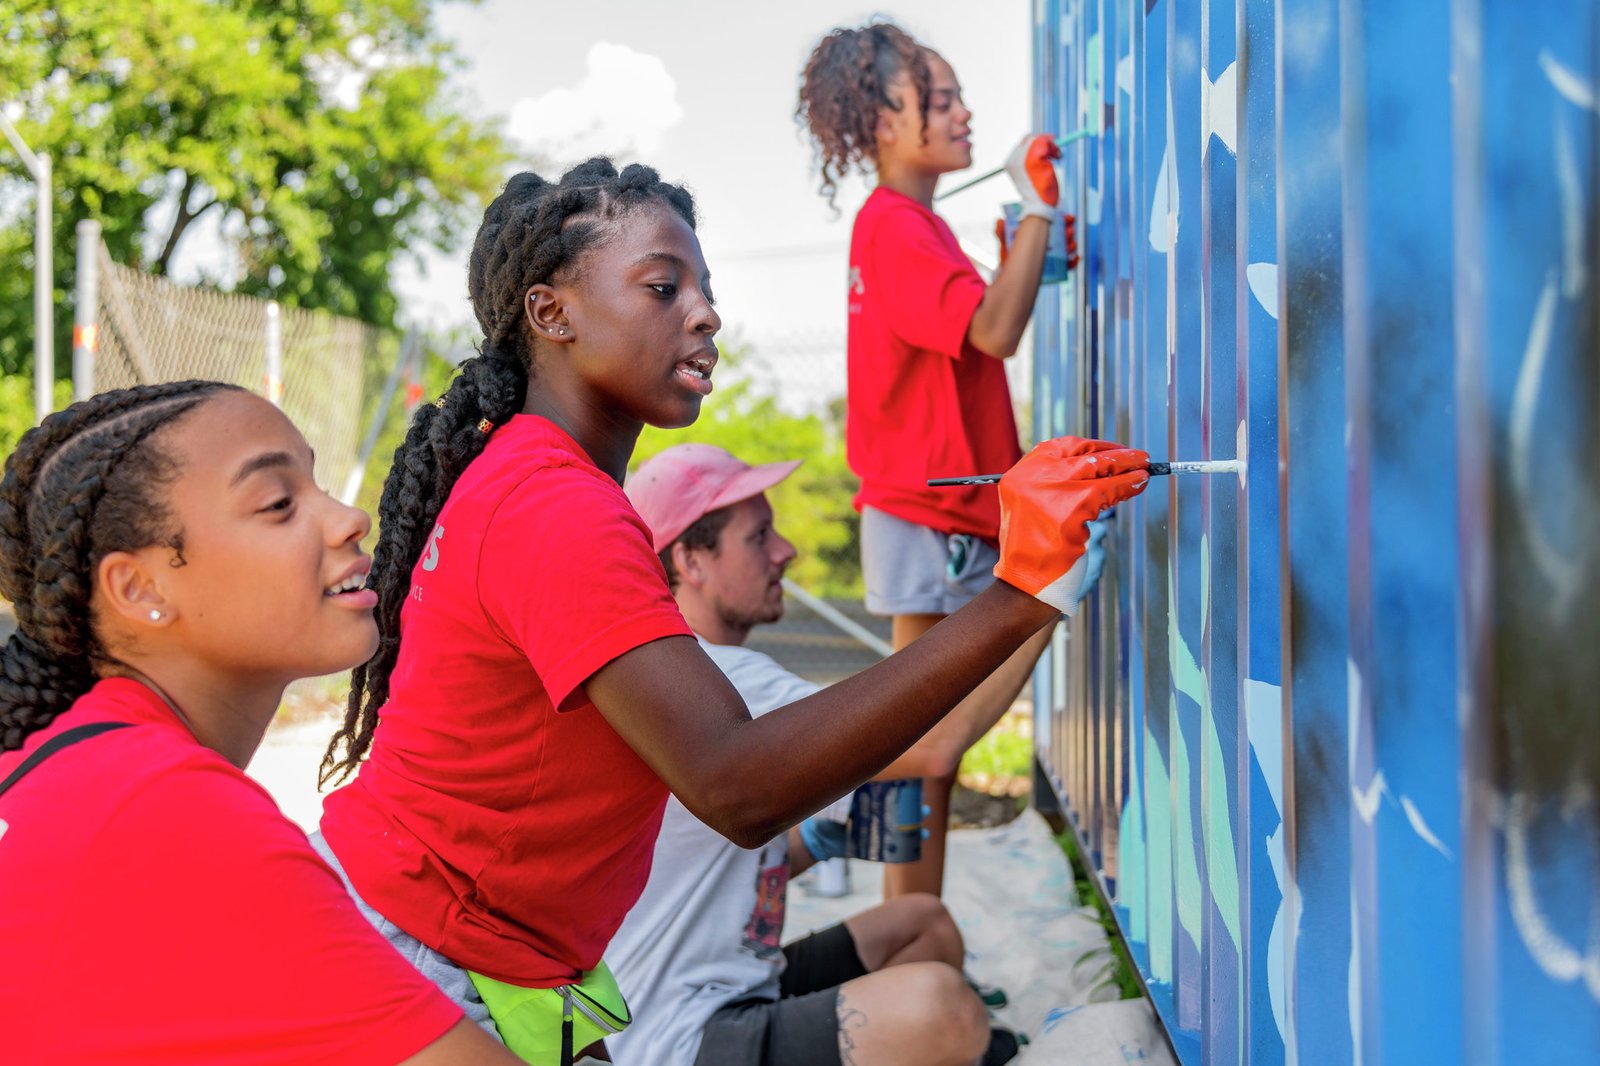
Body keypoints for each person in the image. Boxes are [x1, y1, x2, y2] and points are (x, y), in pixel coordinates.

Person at [315, 157, 1148, 1064]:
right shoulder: (557, 507)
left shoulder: (535, 481)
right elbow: (737, 786)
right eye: (663, 287)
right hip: (422, 960)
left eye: (705, 290)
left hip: (489, 960)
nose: (706, 313)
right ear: (550, 313)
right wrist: (1022, 591)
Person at [0, 381, 517, 1064]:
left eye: (317, 483)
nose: (349, 518)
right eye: (279, 504)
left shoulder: (83, 765)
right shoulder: (174, 814)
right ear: (140, 589)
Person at [604, 442, 1021, 1066]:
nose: (786, 551)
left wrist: (805, 847)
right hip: (681, 1041)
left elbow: (701, 869)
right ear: (691, 560)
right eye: (760, 536)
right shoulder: (722, 675)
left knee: (922, 924)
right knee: (941, 1007)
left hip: (734, 987)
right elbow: (934, 744)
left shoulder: (679, 673)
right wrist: (1035, 596)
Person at [797, 21, 1076, 899]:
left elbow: (980, 321)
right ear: (883, 121)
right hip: (930, 512)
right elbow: (997, 327)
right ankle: (905, 942)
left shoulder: (907, 227)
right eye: (941, 99)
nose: (964, 114)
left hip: (936, 509)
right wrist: (1037, 215)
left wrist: (1034, 252)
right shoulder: (898, 229)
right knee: (917, 743)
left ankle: (911, 939)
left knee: (924, 749)